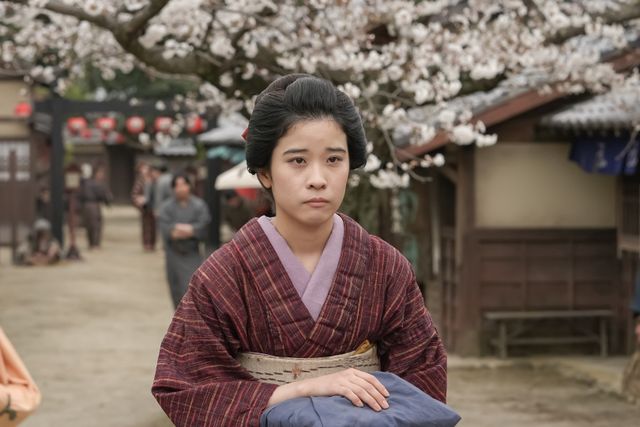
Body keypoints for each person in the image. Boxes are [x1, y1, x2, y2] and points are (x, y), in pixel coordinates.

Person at [152, 75, 447, 426]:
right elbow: (186, 386)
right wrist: (301, 390)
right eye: (298, 161)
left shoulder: (385, 266)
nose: (318, 179)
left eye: (334, 159)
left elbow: (423, 374)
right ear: (265, 172)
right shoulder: (224, 273)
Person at [157, 173, 211, 309]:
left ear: (189, 186)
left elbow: (203, 227)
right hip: (173, 254)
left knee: (192, 289)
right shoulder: (166, 207)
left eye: (183, 184)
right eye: (177, 185)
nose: (181, 188)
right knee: (176, 290)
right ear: (173, 188)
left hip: (192, 253)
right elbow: (168, 231)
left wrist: (184, 229)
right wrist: (190, 230)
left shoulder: (199, 205)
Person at [79, 164, 112, 249]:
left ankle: (92, 243)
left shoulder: (86, 183)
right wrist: (108, 202)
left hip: (86, 205)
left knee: (91, 225)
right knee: (95, 225)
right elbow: (104, 195)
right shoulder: (96, 184)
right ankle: (95, 244)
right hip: (93, 205)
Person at [131, 161, 156, 251]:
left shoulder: (153, 180)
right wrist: (139, 201)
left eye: (146, 168)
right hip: (145, 208)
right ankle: (146, 243)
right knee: (146, 226)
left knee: (153, 226)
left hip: (153, 206)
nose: (145, 170)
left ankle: (152, 243)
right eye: (143, 168)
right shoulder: (140, 181)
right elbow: (134, 194)